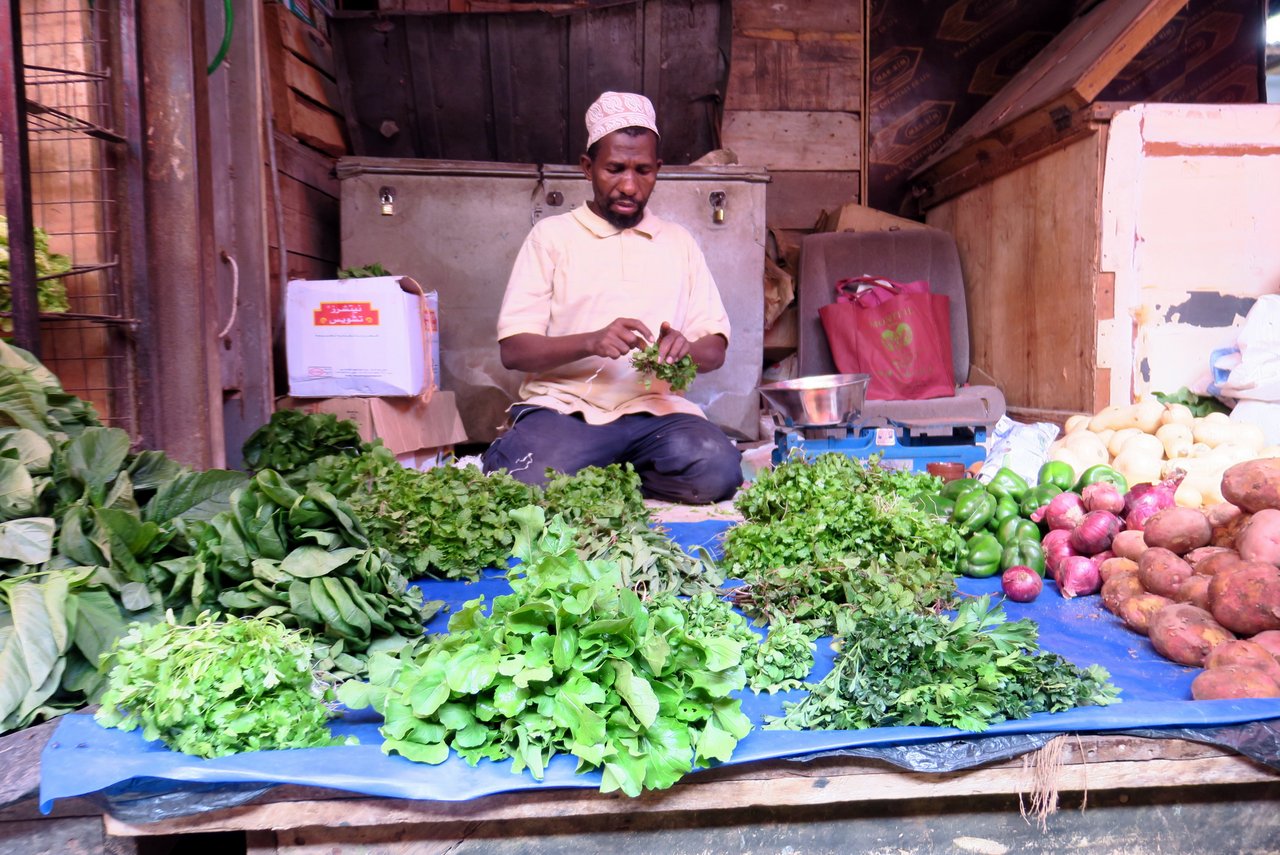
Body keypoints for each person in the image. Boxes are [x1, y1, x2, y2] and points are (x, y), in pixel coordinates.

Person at [481, 91, 743, 504]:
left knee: (718, 471)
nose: (629, 185)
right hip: (566, 411)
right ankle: (588, 469)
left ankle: (604, 479)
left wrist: (686, 349)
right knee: (526, 477)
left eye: (643, 171)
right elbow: (514, 351)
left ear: (658, 170)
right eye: (614, 169)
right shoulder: (553, 238)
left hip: (655, 415)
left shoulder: (679, 243)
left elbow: (715, 349)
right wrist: (590, 341)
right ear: (588, 168)